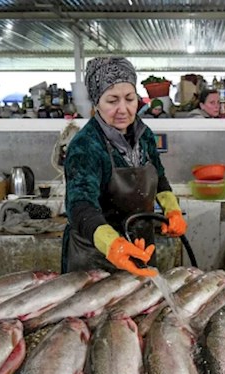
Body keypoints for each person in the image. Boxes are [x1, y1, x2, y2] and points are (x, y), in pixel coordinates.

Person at [62, 57, 186, 277]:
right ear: (96, 102)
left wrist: (172, 209)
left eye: (130, 99)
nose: (123, 109)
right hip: (97, 259)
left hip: (141, 248)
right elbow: (80, 206)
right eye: (112, 101)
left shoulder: (144, 134)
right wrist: (112, 244)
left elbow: (159, 177)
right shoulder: (86, 145)